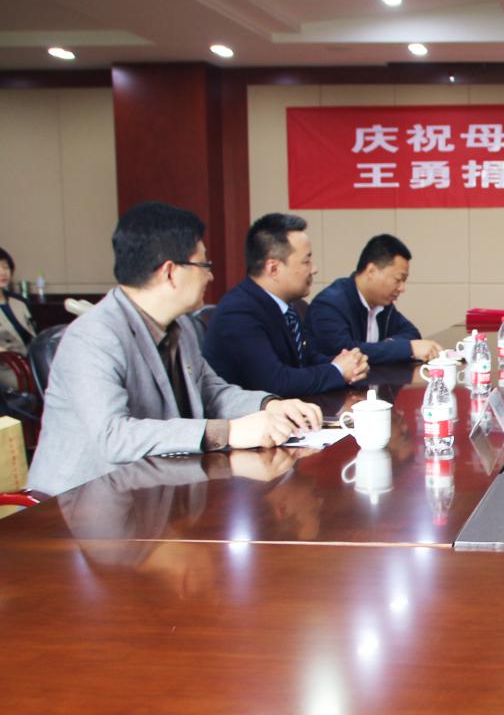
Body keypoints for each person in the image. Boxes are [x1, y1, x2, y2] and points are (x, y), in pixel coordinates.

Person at [27, 201, 323, 496]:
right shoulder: (93, 336)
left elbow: (212, 393)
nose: (210, 276)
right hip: (79, 504)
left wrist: (270, 406)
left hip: (154, 491)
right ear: (170, 272)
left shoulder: (182, 326)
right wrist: (228, 432)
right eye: (204, 266)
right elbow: (113, 436)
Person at [204, 213, 369, 397]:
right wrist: (337, 371)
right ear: (273, 268)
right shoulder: (238, 312)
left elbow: (305, 360)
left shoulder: (289, 307)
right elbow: (276, 382)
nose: (314, 269)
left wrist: (348, 363)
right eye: (306, 261)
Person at [307, 234, 442, 363]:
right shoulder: (329, 305)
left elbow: (411, 333)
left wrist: (388, 346)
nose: (402, 288)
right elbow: (345, 352)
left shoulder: (382, 304)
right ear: (371, 271)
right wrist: (406, 348)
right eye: (398, 279)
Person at [0, 247, 38, 388]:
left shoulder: (19, 302)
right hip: (5, 367)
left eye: (6, 267)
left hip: (29, 362)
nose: (3, 272)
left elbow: (35, 333)